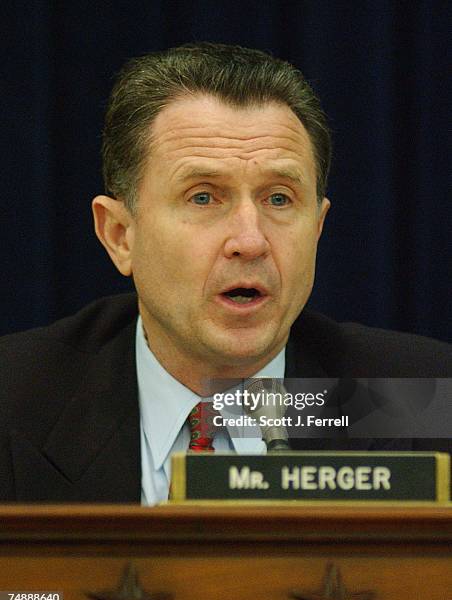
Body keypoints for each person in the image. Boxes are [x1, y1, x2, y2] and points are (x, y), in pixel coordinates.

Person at [1, 43, 451, 503]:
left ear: (317, 228)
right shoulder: (13, 400)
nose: (250, 241)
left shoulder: (427, 402)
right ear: (120, 234)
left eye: (279, 199)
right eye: (203, 197)